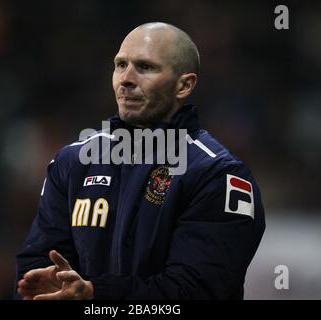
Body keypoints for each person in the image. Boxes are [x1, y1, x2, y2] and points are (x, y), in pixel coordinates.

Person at [15, 22, 265, 300]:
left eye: (145, 67)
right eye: (120, 65)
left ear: (184, 85)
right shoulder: (73, 162)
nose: (126, 79)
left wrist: (95, 296)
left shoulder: (218, 175)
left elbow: (197, 291)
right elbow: (34, 270)